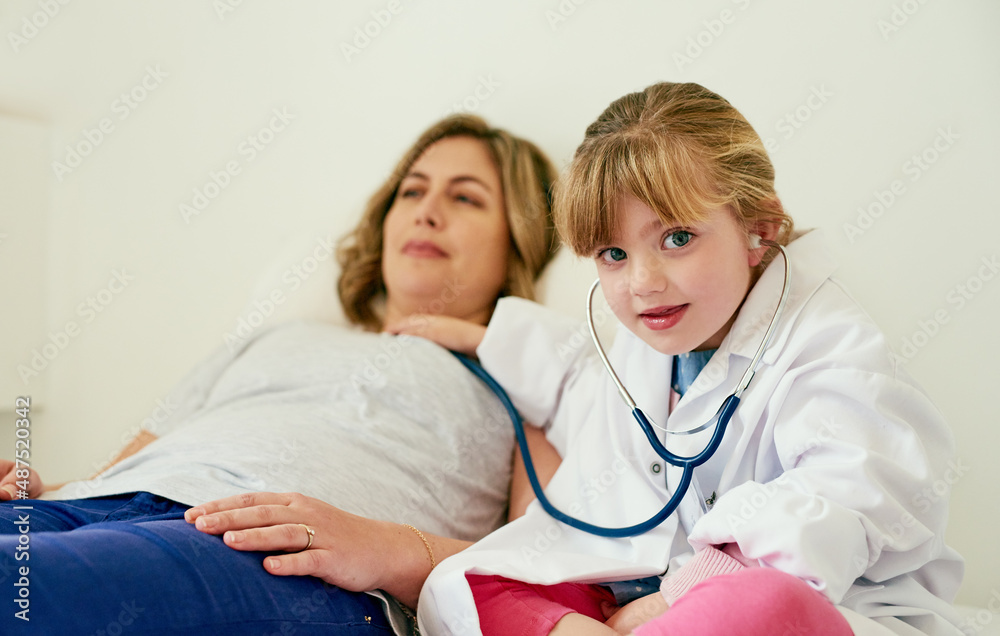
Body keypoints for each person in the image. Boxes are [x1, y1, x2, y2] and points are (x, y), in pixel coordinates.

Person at [409, 82, 965, 635]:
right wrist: (482, 337)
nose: (643, 282)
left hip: (828, 614)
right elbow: (571, 377)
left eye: (677, 239)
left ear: (758, 229)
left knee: (760, 602)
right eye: (614, 253)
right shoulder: (638, 347)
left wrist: (673, 599)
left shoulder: (833, 347)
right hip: (660, 602)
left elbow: (845, 500)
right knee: (467, 582)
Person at [0, 114, 563, 635]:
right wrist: (42, 487)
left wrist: (388, 547)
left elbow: (547, 570)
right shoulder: (272, 338)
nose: (427, 211)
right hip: (96, 507)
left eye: (465, 197)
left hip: (273, 554)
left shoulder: (521, 384)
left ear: (519, 240)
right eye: (412, 191)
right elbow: (121, 470)